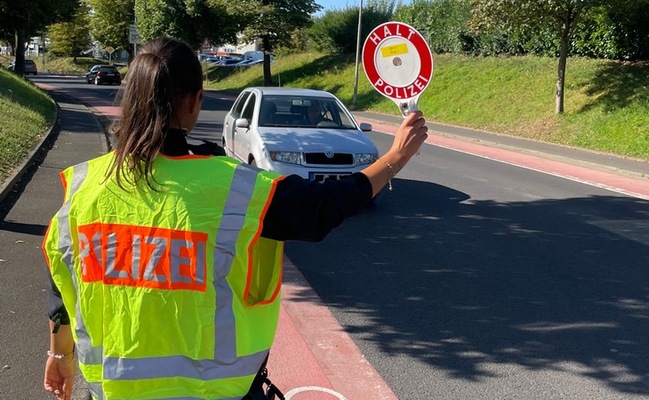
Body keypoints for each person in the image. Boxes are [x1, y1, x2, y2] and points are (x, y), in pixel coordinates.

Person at [42, 36, 427, 400]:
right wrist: (395, 158)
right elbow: (324, 207)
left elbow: (61, 284)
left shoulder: (82, 188)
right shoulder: (238, 189)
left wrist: (59, 356)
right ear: (195, 101)